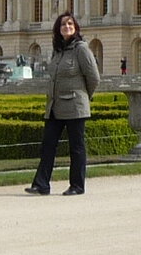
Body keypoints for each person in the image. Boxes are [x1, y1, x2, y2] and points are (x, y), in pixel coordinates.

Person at [25, 12, 100, 197]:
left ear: (75, 28)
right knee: (48, 145)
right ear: (58, 29)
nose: (67, 27)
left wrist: (83, 97)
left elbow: (94, 77)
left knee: (76, 147)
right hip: (55, 105)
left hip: (75, 105)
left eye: (70, 24)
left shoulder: (81, 49)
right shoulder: (58, 51)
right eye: (63, 25)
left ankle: (77, 185)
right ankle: (41, 184)